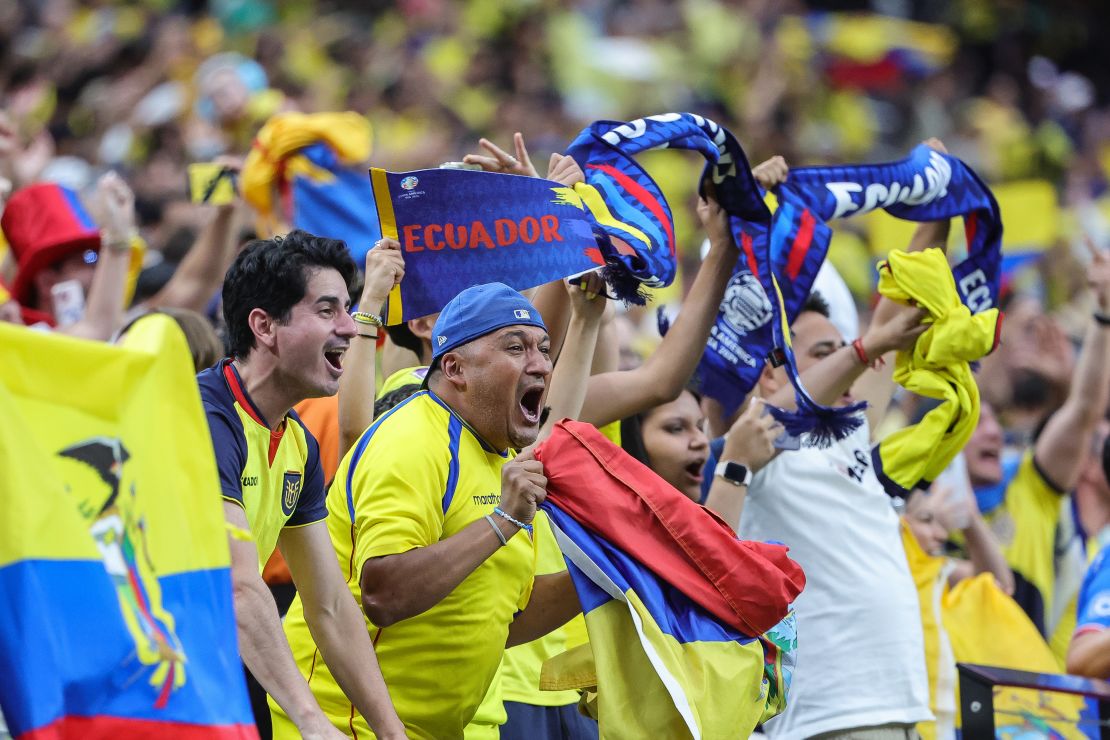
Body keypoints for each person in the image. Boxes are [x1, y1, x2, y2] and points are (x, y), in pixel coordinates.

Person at [274, 282, 581, 739]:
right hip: (348, 725)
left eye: (544, 349)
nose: (539, 364)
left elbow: (505, 620)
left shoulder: (501, 456)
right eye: (515, 348)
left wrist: (611, 577)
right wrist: (504, 521)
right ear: (454, 367)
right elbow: (384, 594)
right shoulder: (412, 440)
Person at [197, 229, 404, 740]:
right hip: (147, 672)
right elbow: (238, 588)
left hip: (221, 668)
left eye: (350, 309)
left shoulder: (299, 445)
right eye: (328, 310)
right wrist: (311, 721)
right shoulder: (202, 418)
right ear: (264, 326)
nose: (351, 329)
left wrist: (391, 732)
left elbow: (330, 605)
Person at [960, 244, 1110, 660]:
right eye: (977, 423)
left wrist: (1104, 315)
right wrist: (996, 340)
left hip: (1031, 714)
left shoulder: (1030, 485)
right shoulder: (919, 511)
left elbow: (1083, 410)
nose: (991, 431)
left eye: (995, 422)